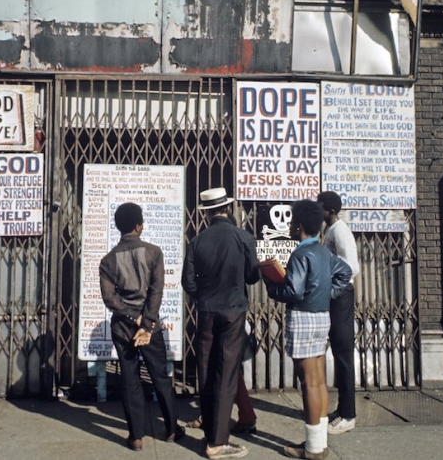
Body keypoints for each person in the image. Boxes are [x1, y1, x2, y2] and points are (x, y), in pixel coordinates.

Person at [264, 200, 352, 460]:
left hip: (302, 318)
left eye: (292, 223)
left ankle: (313, 449)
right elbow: (345, 272)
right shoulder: (324, 252)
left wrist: (271, 285)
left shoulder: (301, 254)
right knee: (319, 381)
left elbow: (294, 290)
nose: (291, 226)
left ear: (299, 225)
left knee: (308, 384)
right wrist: (326, 294)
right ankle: (318, 443)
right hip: (322, 317)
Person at [99, 202, 184, 451]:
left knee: (130, 379)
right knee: (160, 376)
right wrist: (145, 323)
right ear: (139, 226)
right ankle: (171, 429)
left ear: (118, 226)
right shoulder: (154, 253)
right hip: (150, 327)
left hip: (123, 328)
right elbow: (156, 292)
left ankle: (136, 437)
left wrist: (131, 317)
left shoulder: (108, 260)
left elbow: (110, 298)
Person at [182, 188, 261, 460]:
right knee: (226, 373)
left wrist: (204, 296)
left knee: (205, 371)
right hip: (233, 312)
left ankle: (210, 433)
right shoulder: (243, 237)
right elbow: (252, 276)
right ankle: (216, 443)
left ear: (206, 213)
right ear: (227, 208)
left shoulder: (197, 241)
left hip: (206, 312)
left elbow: (188, 282)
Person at [316, 191, 360, 435]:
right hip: (336, 295)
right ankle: (343, 409)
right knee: (338, 350)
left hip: (341, 295)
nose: (318, 211)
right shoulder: (330, 230)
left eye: (321, 207)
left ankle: (348, 415)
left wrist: (333, 286)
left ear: (330, 211)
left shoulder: (340, 231)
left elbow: (352, 266)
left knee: (343, 353)